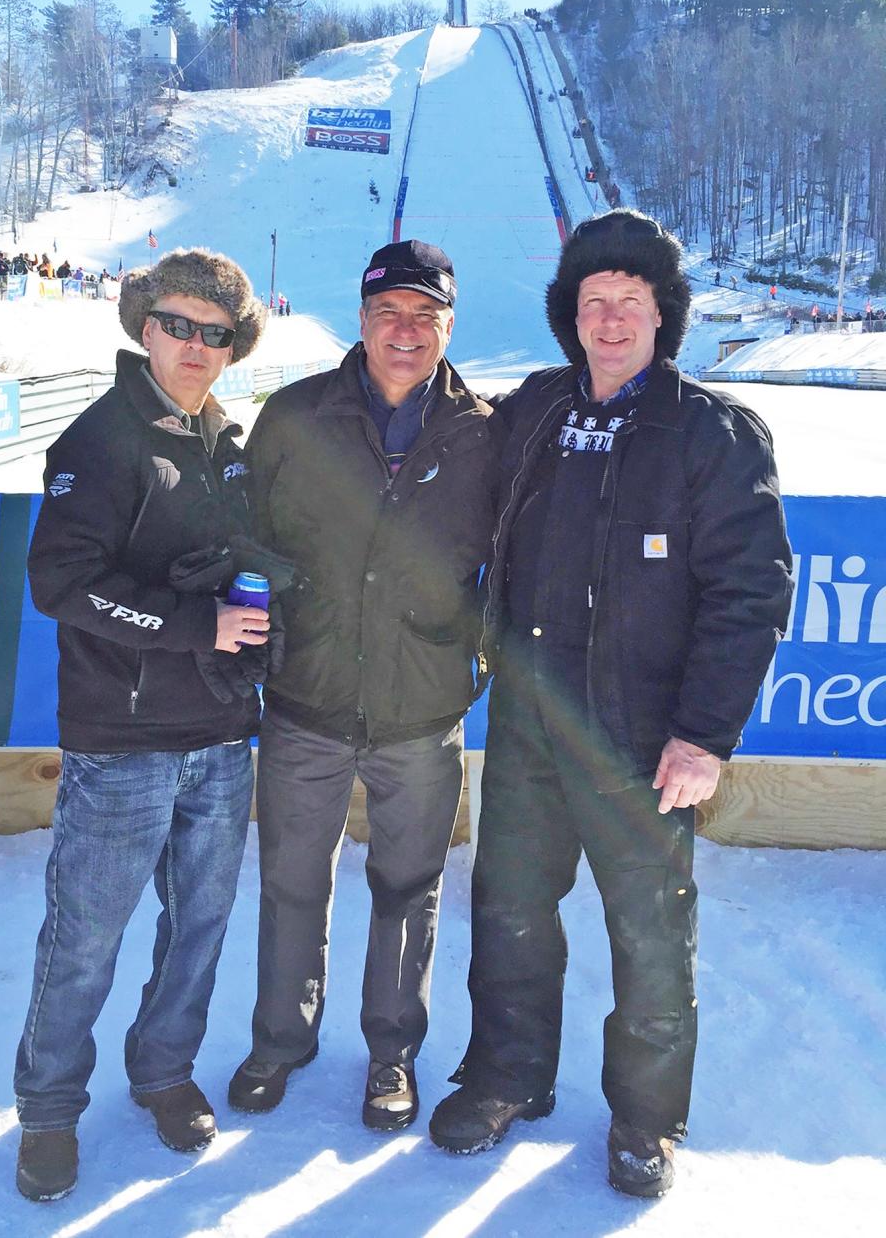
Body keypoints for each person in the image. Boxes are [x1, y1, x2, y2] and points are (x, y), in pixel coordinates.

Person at [428, 210, 792, 1198]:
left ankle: (644, 1120)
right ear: (572, 317)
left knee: (648, 930)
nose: (613, 317)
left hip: (643, 739)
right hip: (531, 722)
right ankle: (505, 1078)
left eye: (632, 300)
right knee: (508, 911)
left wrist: (705, 737)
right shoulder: (536, 410)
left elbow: (752, 592)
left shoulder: (710, 433)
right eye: (595, 301)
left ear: (662, 316)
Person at [14, 248, 278, 1202]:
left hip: (218, 730)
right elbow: (61, 585)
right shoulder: (100, 438)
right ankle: (48, 1110)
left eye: (216, 333)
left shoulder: (224, 440)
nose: (195, 346)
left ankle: (163, 1070)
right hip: (121, 744)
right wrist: (194, 623)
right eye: (178, 325)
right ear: (142, 326)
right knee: (85, 937)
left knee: (198, 927)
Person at [228, 239, 503, 1134]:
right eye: (391, 312)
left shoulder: (487, 432)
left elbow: (515, 562)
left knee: (408, 887)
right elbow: (247, 543)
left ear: (449, 327)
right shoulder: (296, 416)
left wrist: (479, 647)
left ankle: (393, 1053)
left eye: (427, 316)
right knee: (292, 881)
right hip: (306, 699)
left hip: (421, 711)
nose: (407, 331)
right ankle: (280, 1040)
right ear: (361, 317)